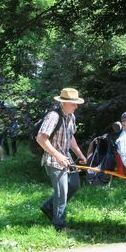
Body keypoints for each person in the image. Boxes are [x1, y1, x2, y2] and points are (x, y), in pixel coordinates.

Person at [37, 88, 88, 231]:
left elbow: (70, 136)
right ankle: (59, 225)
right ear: (64, 103)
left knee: (74, 185)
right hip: (53, 159)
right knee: (61, 192)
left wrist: (80, 154)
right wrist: (57, 156)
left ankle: (48, 207)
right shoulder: (53, 116)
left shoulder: (71, 116)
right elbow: (41, 138)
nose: (76, 106)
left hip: (67, 157)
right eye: (73, 104)